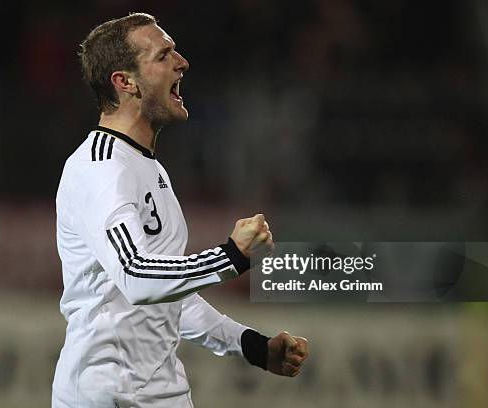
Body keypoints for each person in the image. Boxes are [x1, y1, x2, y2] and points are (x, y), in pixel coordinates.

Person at [52, 12, 309, 408]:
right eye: (163, 55)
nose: (182, 62)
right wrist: (230, 255)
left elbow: (169, 296)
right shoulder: (101, 168)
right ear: (125, 82)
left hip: (159, 396)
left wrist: (252, 346)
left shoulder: (148, 168)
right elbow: (138, 276)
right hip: (112, 396)